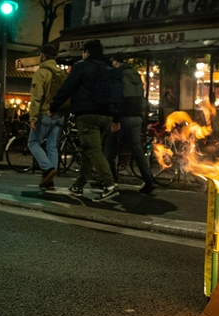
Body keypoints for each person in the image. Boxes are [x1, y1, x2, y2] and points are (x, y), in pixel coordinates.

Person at [49, 39, 122, 202]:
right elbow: (117, 95)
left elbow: (68, 87)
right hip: (107, 115)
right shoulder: (111, 69)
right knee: (88, 150)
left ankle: (109, 185)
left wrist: (54, 106)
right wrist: (116, 117)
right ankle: (79, 185)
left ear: (87, 52)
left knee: (93, 149)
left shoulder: (81, 66)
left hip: (87, 114)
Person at [104, 52, 156, 195]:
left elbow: (116, 98)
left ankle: (111, 181)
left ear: (115, 62)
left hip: (122, 116)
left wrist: (115, 119)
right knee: (137, 149)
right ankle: (149, 180)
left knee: (109, 148)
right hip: (136, 117)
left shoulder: (117, 74)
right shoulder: (136, 76)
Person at [29, 44, 68, 191]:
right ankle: (49, 181)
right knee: (52, 146)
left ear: (43, 56)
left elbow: (36, 97)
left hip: (44, 114)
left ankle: (48, 169)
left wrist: (32, 117)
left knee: (33, 142)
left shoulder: (42, 72)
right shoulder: (60, 73)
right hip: (59, 114)